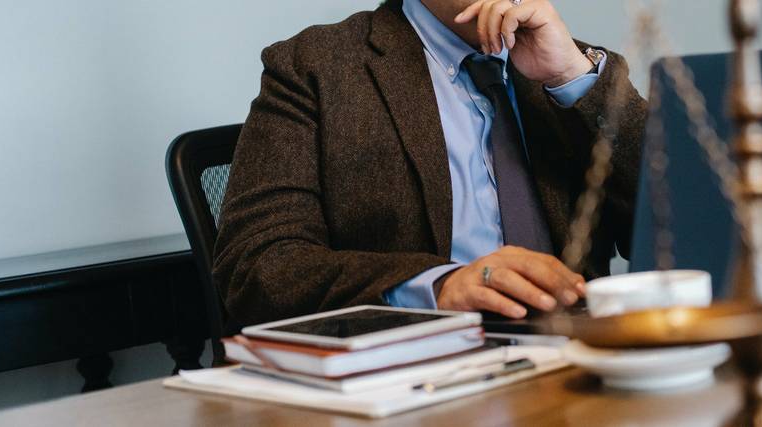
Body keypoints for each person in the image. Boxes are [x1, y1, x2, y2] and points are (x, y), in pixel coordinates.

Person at [213, 0, 647, 327]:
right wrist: (437, 286)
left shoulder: (577, 67)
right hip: (411, 371)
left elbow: (688, 225)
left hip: (574, 358)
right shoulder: (316, 67)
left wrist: (574, 80)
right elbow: (257, 268)